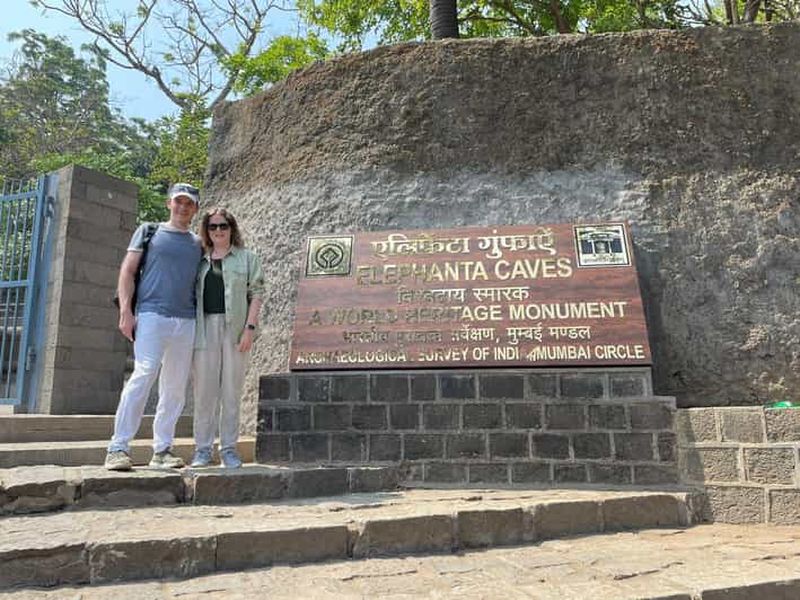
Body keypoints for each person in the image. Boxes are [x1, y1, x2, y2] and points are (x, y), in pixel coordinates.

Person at [104, 183, 203, 471]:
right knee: (143, 374)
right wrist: (126, 311)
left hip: (186, 320)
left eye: (189, 203)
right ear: (169, 203)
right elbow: (128, 271)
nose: (183, 207)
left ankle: (162, 450)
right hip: (151, 314)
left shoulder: (198, 243)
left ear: (195, 208)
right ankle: (118, 447)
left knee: (174, 387)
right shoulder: (150, 232)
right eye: (179, 201)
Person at [191, 208, 264, 468]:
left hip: (235, 330)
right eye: (213, 227)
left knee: (231, 391)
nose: (218, 231)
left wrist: (250, 328)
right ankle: (202, 449)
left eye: (223, 226)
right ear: (206, 231)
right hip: (204, 328)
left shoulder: (247, 258)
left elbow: (256, 293)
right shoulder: (199, 259)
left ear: (232, 228)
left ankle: (229, 449)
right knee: (204, 392)